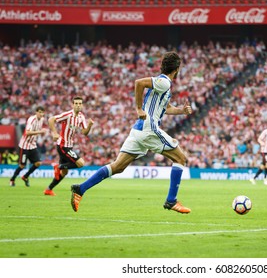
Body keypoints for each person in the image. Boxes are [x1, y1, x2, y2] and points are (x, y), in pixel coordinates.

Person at [70, 51, 192, 214]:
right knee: (181, 158)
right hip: (149, 128)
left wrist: (181, 111)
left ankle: (80, 189)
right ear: (177, 68)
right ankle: (171, 200)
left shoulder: (163, 84)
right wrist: (138, 108)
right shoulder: (164, 82)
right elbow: (139, 83)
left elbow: (167, 108)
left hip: (139, 129)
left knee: (118, 166)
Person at [44, 96, 94, 196]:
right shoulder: (67, 115)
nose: (78, 105)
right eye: (76, 103)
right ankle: (58, 167)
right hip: (63, 145)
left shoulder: (81, 117)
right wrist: (54, 133)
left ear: (82, 105)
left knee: (64, 172)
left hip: (69, 146)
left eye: (80, 103)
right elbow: (51, 119)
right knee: (80, 163)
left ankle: (48, 189)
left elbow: (84, 132)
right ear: (73, 105)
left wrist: (89, 126)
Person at [10, 106, 47, 187]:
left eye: (42, 112)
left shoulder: (42, 119)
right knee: (22, 165)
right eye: (39, 112)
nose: (41, 114)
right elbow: (27, 132)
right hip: (24, 145)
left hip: (32, 145)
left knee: (38, 163)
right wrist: (40, 131)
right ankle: (12, 179)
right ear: (36, 112)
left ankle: (25, 176)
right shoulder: (31, 119)